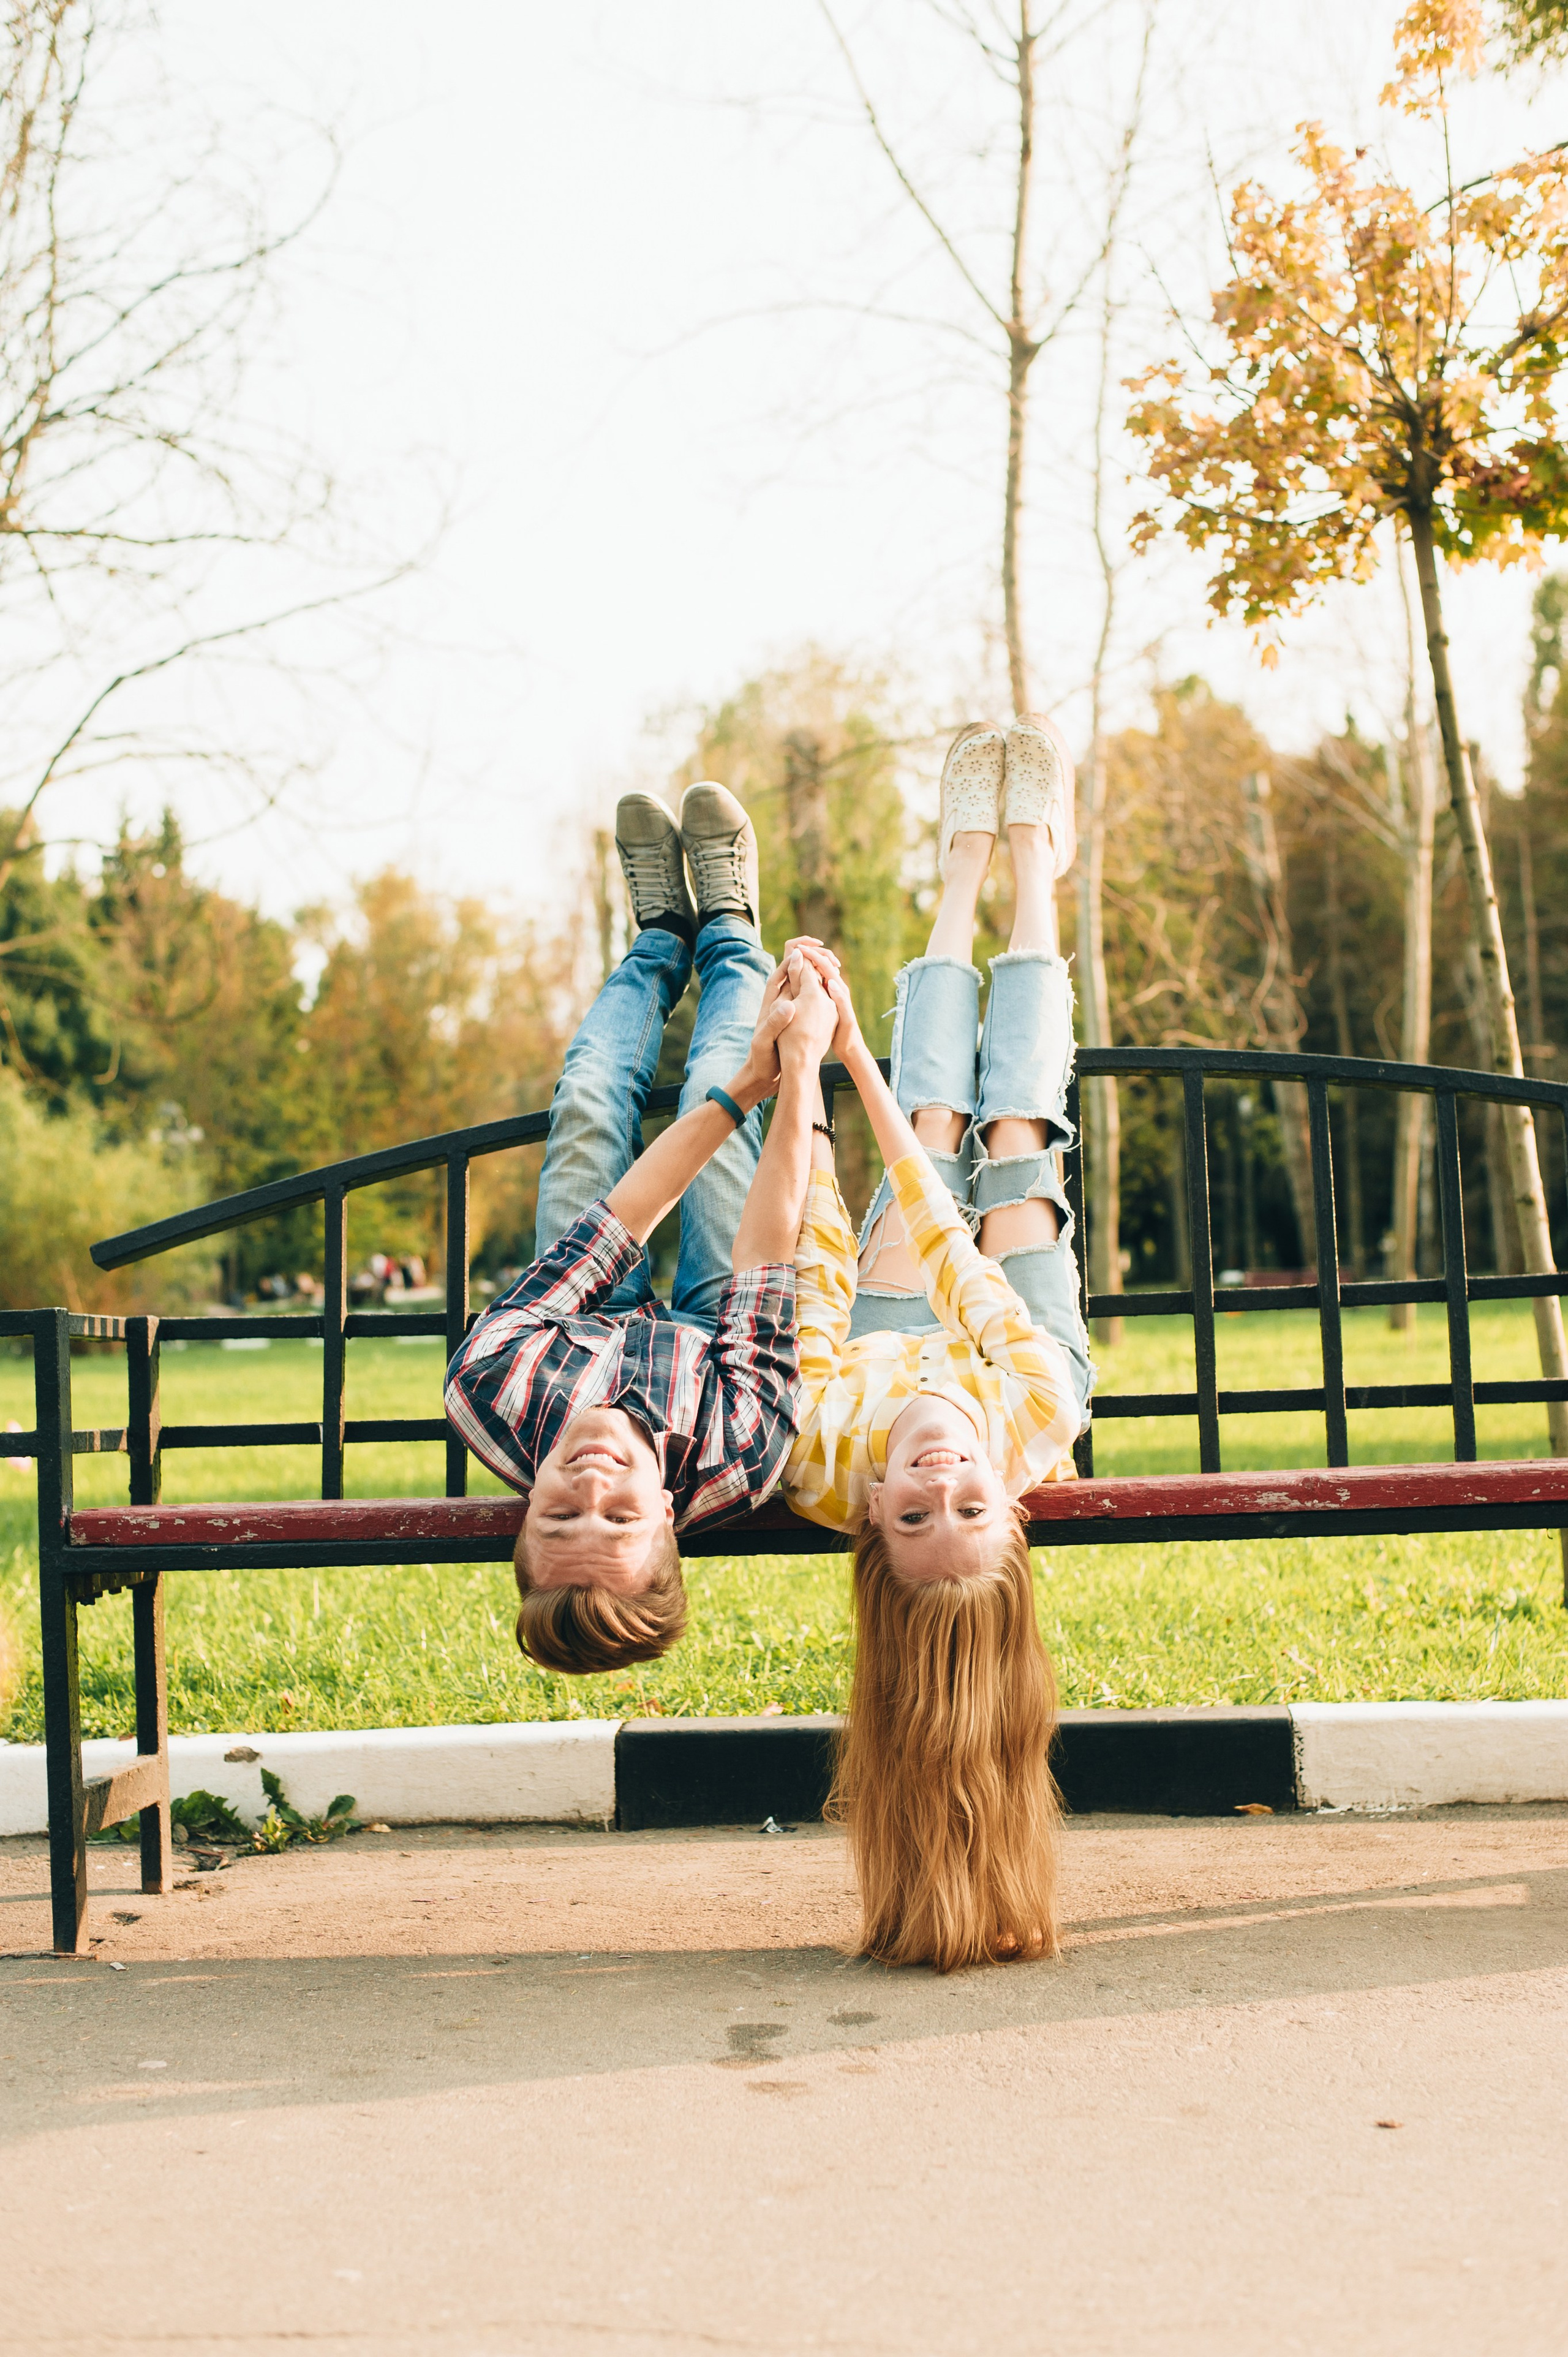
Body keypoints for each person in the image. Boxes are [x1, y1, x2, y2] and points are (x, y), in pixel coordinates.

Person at [783, 716, 1095, 1973]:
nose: (935, 1481)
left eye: (914, 1517)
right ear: (1016, 1503)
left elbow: (811, 1263)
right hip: (1003, 1360)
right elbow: (965, 1266)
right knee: (1009, 1143)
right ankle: (1030, 861)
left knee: (927, 1118)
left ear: (865, 1515)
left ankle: (956, 867)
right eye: (968, 1505)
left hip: (886, 1360)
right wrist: (855, 1067)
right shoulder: (1022, 1428)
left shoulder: (825, 1455)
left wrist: (832, 1071)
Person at [445, 782, 837, 1676]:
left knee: (588, 1103)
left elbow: (618, 1222)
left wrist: (735, 1096)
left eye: (557, 1515)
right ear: (668, 1513)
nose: (589, 1487)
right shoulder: (742, 1446)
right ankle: (731, 926)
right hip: (713, 1319)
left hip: (582, 1313)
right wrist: (787, 1068)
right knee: (724, 1061)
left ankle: (660, 936)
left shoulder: (492, 1390)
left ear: (524, 1506)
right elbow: (767, 1252)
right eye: (618, 1516)